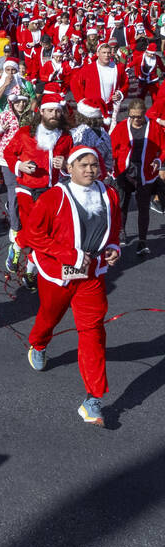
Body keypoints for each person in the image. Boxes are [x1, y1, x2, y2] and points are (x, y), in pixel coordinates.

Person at [22, 146, 121, 426]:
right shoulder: (55, 197)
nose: (90, 170)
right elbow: (33, 234)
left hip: (91, 276)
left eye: (94, 165)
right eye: (83, 165)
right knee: (50, 316)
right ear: (70, 169)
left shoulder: (109, 194)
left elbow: (114, 226)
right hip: (58, 274)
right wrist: (70, 254)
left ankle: (93, 400)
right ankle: (38, 344)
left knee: (93, 332)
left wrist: (113, 247)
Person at [5, 99, 74, 283]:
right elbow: (8, 153)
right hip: (26, 187)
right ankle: (21, 250)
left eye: (57, 111)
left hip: (51, 190)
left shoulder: (66, 137)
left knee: (44, 232)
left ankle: (29, 268)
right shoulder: (25, 133)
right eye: (50, 111)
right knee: (34, 229)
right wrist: (21, 165)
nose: (54, 115)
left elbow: (73, 164)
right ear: (41, 112)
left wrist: (66, 165)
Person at [110, 100, 165, 256]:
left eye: (139, 117)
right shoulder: (121, 128)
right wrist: (111, 167)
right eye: (132, 117)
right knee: (122, 204)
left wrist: (158, 160)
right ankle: (121, 231)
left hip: (146, 173)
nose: (136, 120)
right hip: (124, 172)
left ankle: (142, 241)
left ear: (144, 113)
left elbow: (163, 148)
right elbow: (112, 150)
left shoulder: (154, 127)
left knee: (143, 208)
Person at [0, 92, 32, 233]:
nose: (21, 104)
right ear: (12, 103)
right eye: (17, 102)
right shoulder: (6, 115)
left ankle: (25, 223)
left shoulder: (31, 116)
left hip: (26, 159)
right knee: (13, 192)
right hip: (7, 161)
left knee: (26, 193)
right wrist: (1, 129)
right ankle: (15, 228)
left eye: (23, 102)